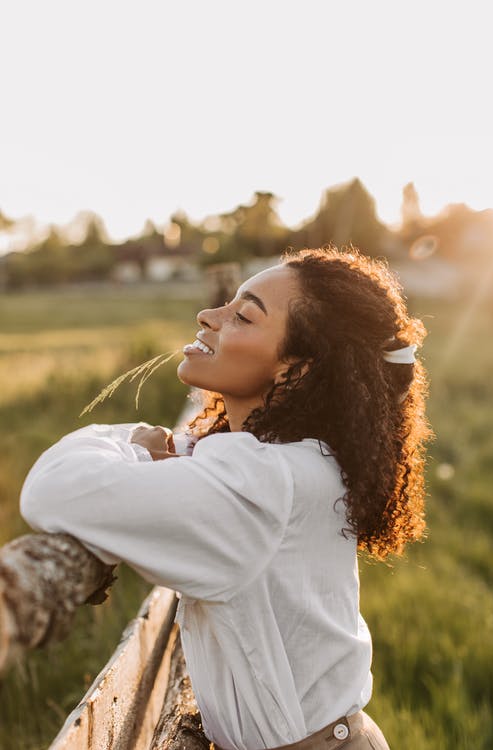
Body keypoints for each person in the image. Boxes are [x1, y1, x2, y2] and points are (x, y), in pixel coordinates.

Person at [20, 247, 431, 750]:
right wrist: (158, 454)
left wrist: (136, 450)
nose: (207, 317)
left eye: (242, 315)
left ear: (296, 369)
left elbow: (50, 488)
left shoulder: (264, 480)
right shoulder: (284, 455)